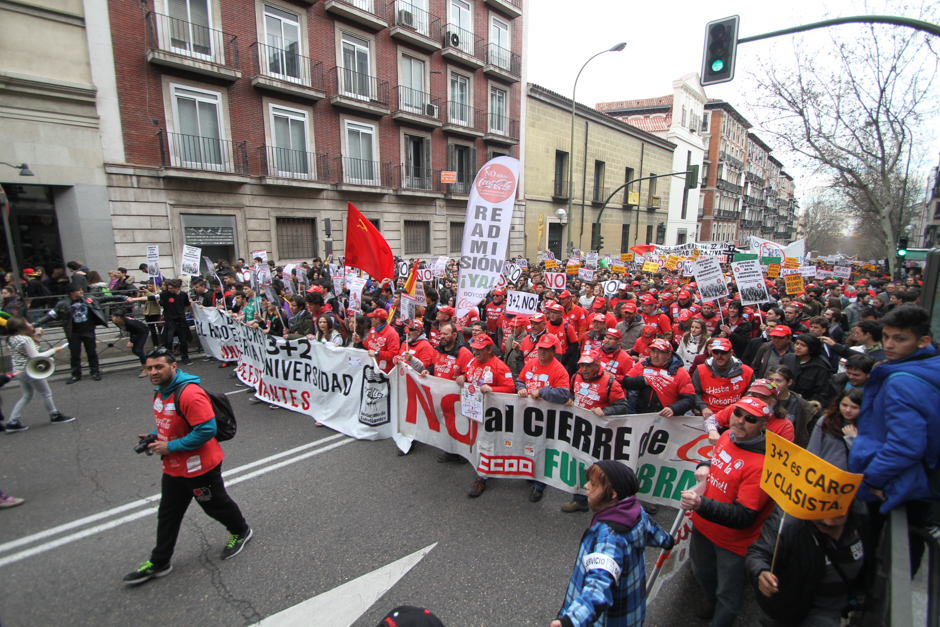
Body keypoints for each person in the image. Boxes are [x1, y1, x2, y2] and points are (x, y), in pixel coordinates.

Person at [124, 349, 252, 585]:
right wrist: (154, 436)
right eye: (149, 368)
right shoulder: (160, 393)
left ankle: (241, 531)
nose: (153, 372)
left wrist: (170, 446)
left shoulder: (190, 394)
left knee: (215, 506)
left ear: (173, 367)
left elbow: (206, 430)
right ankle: (160, 561)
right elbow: (171, 424)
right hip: (174, 467)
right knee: (168, 513)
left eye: (158, 367)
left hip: (200, 466)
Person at [849, 306, 940, 575]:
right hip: (916, 475)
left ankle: (873, 590)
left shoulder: (903, 382)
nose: (888, 344)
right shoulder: (924, 367)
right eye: (886, 336)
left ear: (922, 341)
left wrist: (875, 477)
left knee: (882, 543)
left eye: (900, 339)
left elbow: (906, 444)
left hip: (899, 479)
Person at [680, 396, 775, 627]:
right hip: (704, 527)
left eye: (750, 419)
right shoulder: (725, 436)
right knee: (701, 570)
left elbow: (744, 516)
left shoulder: (763, 465)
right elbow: (714, 463)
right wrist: (703, 465)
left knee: (729, 594)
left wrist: (702, 505)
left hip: (733, 543)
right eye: (737, 413)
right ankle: (710, 600)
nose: (741, 421)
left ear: (763, 426)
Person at [551, 462, 675, 627]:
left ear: (612, 493)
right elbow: (655, 532)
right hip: (632, 612)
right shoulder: (636, 512)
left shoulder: (609, 537)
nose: (586, 486)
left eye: (593, 484)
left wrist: (570, 620)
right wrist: (669, 542)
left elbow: (599, 585)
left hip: (609, 620)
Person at [745, 502, 874, 627]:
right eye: (823, 513)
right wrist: (760, 573)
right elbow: (759, 553)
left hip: (832, 608)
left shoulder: (859, 515)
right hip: (785, 610)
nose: (829, 521)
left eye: (838, 515)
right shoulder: (787, 521)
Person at [35, 282, 130, 383]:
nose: (81, 291)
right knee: (75, 354)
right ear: (71, 292)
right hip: (73, 332)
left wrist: (124, 297)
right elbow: (50, 316)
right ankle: (76, 374)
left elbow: (106, 299)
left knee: (92, 352)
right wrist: (34, 325)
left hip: (88, 330)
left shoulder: (88, 299)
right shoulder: (63, 304)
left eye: (81, 289)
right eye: (78, 290)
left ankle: (95, 372)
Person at [457, 335, 515, 497]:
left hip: (492, 414)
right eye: (474, 348)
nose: (475, 351)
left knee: (487, 443)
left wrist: (493, 390)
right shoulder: (473, 362)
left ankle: (482, 477)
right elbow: (468, 374)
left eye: (480, 349)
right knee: (477, 441)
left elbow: (511, 389)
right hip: (474, 411)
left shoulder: (500, 366)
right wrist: (464, 377)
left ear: (490, 350)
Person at [516, 335, 571, 502]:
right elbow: (519, 380)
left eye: (546, 349)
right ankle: (531, 473)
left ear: (554, 351)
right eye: (540, 348)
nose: (542, 352)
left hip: (548, 420)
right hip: (528, 417)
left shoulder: (560, 370)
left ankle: (539, 486)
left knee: (544, 450)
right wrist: (521, 388)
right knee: (529, 446)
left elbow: (563, 394)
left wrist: (542, 391)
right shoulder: (531, 363)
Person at [2, 317, 73, 431]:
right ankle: (54, 415)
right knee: (46, 393)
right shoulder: (26, 339)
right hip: (30, 370)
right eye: (26, 323)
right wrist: (54, 350)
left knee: (27, 395)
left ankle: (12, 422)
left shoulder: (11, 338)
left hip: (19, 370)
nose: (30, 324)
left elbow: (26, 351)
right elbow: (35, 357)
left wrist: (37, 337)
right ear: (21, 327)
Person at [620, 338, 695, 417]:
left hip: (668, 419)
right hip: (642, 417)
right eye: (653, 351)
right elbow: (626, 382)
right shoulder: (642, 365)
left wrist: (673, 409)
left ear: (668, 355)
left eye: (659, 352)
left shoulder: (680, 372)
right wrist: (644, 380)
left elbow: (689, 399)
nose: (655, 356)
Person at [128, 279, 193, 366]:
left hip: (181, 320)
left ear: (177, 287)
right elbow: (150, 298)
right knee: (168, 341)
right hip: (170, 321)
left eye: (171, 288)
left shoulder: (183, 295)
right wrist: (133, 299)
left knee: (183, 341)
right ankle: (170, 359)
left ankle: (185, 358)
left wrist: (192, 313)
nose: (169, 290)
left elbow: (188, 304)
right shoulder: (165, 295)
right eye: (168, 288)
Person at [691, 337, 755, 419]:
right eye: (715, 352)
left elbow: (753, 396)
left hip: (736, 417)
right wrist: (703, 407)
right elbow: (693, 393)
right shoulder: (701, 370)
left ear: (731, 353)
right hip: (709, 417)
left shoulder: (747, 371)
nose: (719, 355)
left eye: (723, 352)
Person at [807, 387, 863, 471]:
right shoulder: (826, 421)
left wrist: (853, 439)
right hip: (821, 474)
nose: (848, 410)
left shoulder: (866, 428)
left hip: (847, 478)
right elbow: (813, 450)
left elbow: (863, 458)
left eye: (854, 407)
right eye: (844, 405)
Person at [766, 365, 819, 448]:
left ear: (789, 382)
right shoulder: (762, 398)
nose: (773, 384)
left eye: (779, 381)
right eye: (770, 380)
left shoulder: (800, 405)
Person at [780, 334, 832, 404]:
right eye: (797, 343)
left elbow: (822, 394)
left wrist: (804, 404)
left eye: (803, 345)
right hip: (782, 400)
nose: (798, 347)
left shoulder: (821, 368)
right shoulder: (787, 358)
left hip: (804, 405)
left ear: (811, 349)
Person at [111, 307, 151, 377]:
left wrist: (131, 341)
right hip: (134, 332)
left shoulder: (130, 323)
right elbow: (132, 331)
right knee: (134, 350)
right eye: (113, 316)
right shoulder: (116, 322)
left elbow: (140, 331)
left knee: (138, 350)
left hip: (142, 331)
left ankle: (146, 368)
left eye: (115, 317)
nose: (113, 318)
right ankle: (146, 360)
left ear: (121, 318)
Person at [363, 308, 400, 374]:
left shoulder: (392, 334)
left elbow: (393, 354)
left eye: (372, 318)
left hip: (384, 372)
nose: (370, 319)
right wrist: (359, 342)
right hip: (372, 368)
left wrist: (377, 353)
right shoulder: (372, 329)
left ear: (377, 320)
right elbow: (369, 346)